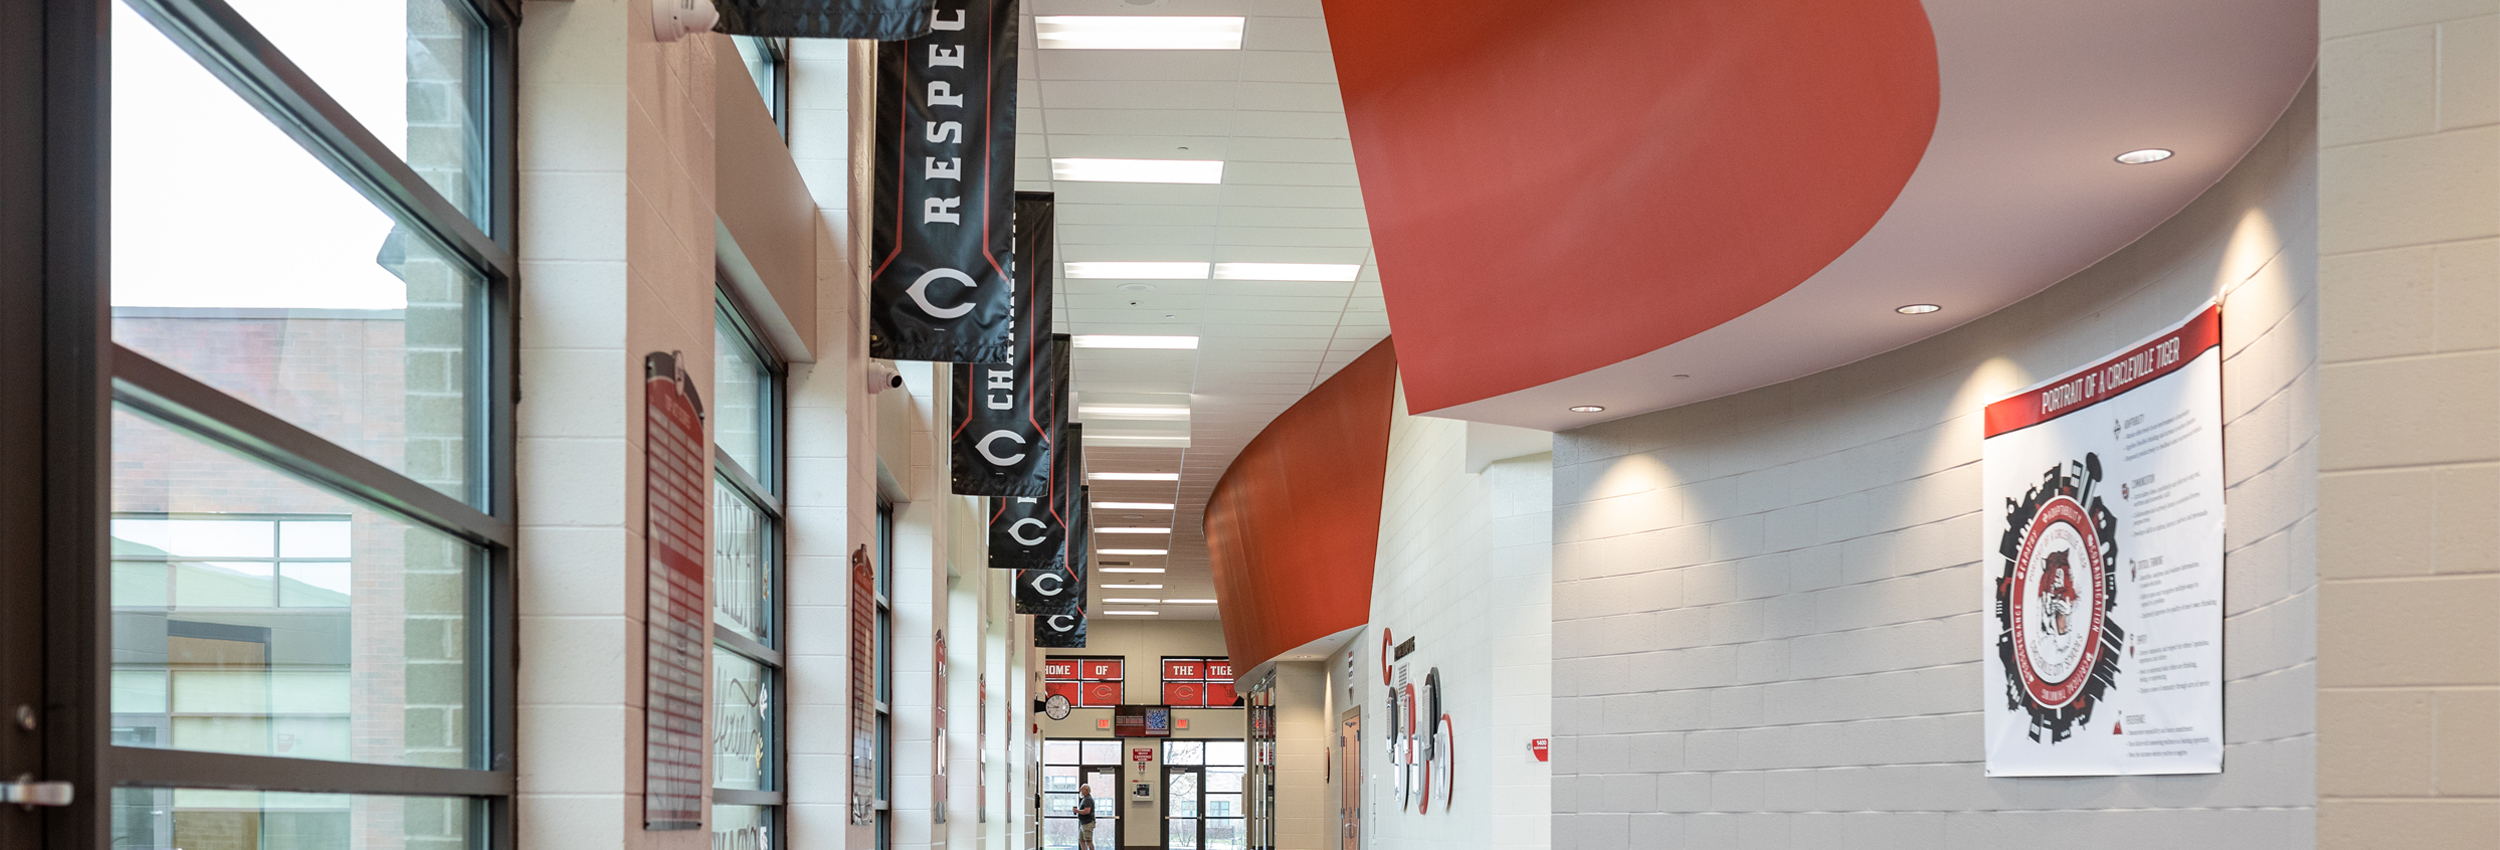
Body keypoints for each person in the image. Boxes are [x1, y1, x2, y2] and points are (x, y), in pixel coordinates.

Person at [1075, 783, 1098, 850]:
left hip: (1088, 823)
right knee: (1081, 840)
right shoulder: (1084, 799)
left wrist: (1077, 811)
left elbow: (1087, 811)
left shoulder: (1088, 799)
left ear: (1087, 791)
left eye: (1083, 789)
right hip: (1083, 823)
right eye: (1081, 789)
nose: (1081, 790)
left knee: (1088, 840)